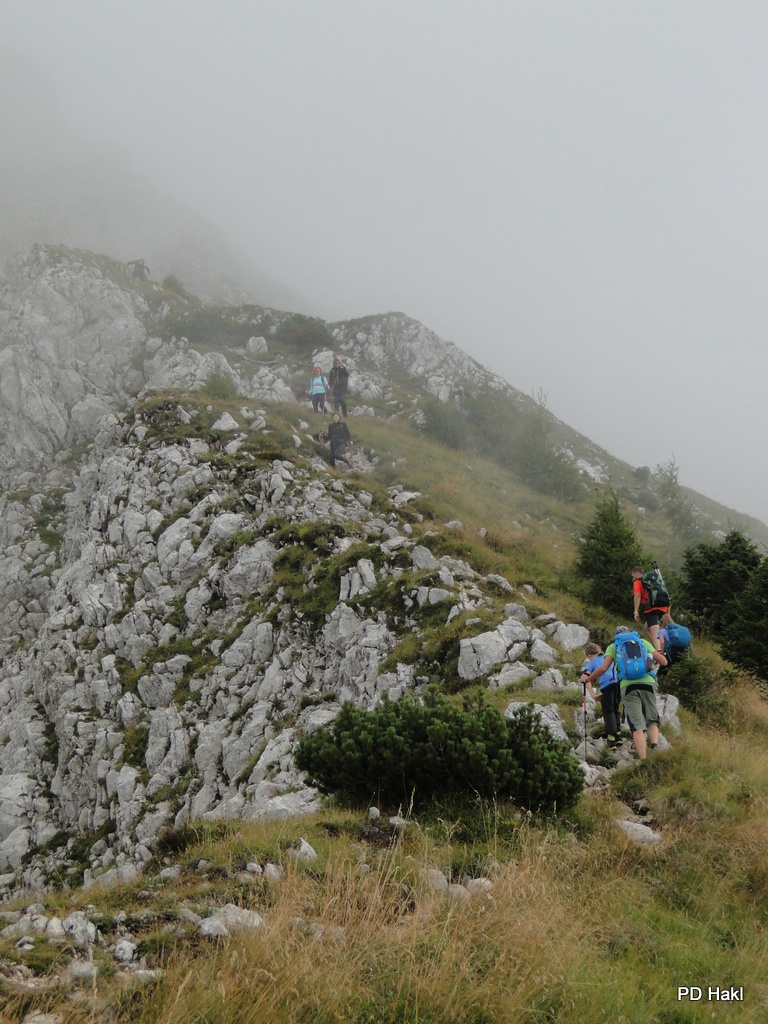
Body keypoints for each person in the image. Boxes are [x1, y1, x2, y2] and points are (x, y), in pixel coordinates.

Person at [584, 626, 667, 760]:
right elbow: (664, 661)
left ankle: (643, 759)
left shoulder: (614, 647)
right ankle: (654, 745)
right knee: (651, 718)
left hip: (628, 686)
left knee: (636, 724)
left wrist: (590, 678)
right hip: (647, 682)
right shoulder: (642, 642)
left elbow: (604, 668)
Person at [580, 642, 621, 748]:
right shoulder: (608, 657)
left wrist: (593, 695)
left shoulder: (591, 663)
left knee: (608, 711)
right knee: (615, 709)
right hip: (618, 683)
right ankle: (618, 736)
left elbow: (584, 678)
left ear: (588, 655)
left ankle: (611, 738)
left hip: (607, 685)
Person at [632, 565, 669, 651]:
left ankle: (660, 653)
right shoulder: (654, 581)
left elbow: (637, 595)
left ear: (637, 573)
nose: (632, 578)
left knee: (655, 634)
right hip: (662, 608)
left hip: (652, 609)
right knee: (646, 628)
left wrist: (636, 611)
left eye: (633, 576)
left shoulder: (638, 581)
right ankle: (659, 647)